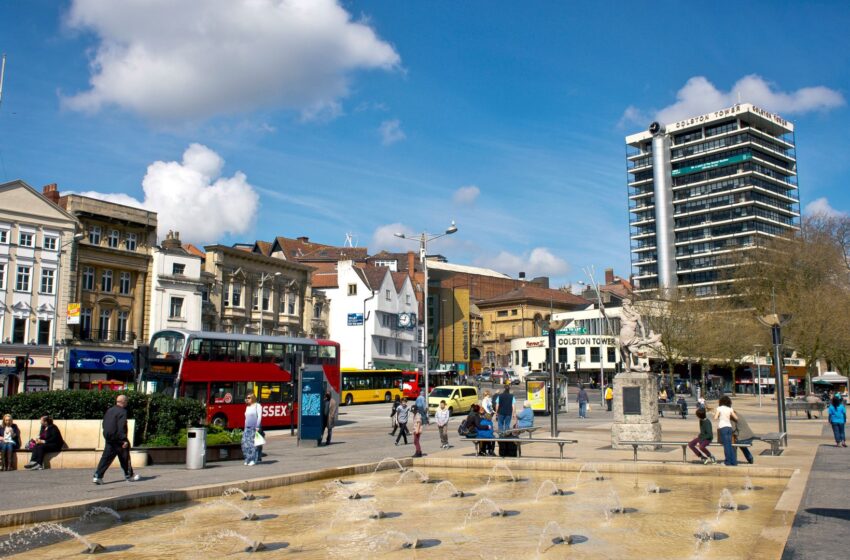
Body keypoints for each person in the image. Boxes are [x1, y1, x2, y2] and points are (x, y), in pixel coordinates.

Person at [93, 394, 139, 484]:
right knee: (125, 457)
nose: (127, 403)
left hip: (109, 438)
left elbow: (104, 423)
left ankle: (97, 476)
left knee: (106, 458)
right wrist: (124, 440)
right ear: (123, 402)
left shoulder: (109, 410)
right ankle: (129, 475)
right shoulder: (122, 412)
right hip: (118, 439)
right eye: (126, 401)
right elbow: (121, 426)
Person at [713, 395, 738, 466]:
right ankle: (734, 462)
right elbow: (736, 418)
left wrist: (716, 415)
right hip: (729, 427)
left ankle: (728, 462)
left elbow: (715, 418)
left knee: (726, 445)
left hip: (723, 427)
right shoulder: (730, 409)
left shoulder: (719, 408)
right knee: (730, 445)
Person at [242, 393, 262, 466]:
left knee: (252, 444)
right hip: (247, 427)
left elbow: (259, 416)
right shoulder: (248, 407)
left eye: (249, 397)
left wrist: (257, 426)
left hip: (254, 427)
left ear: (253, 398)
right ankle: (247, 458)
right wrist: (244, 427)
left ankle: (253, 459)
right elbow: (246, 418)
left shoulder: (258, 406)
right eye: (247, 397)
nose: (247, 399)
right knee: (244, 443)